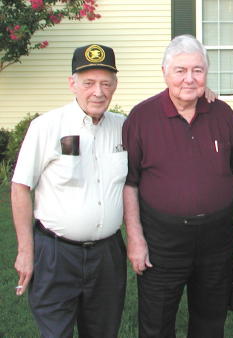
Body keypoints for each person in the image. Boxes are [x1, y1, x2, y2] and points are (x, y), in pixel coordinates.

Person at [122, 34, 233, 338]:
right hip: (161, 241)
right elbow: (130, 184)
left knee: (210, 322)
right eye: (180, 70)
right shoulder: (141, 118)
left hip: (216, 239)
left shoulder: (222, 114)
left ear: (206, 74)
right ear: (165, 72)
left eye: (198, 70)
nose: (189, 78)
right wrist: (135, 238)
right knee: (156, 323)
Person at [11, 44, 127, 337]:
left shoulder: (124, 128)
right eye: (88, 83)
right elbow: (21, 187)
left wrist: (203, 96)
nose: (98, 92)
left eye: (105, 83)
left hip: (107, 256)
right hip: (55, 254)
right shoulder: (47, 126)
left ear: (115, 85)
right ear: (72, 83)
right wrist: (26, 251)